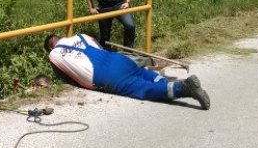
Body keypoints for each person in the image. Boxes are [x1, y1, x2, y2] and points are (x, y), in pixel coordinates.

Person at [43, 33, 210, 110]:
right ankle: (169, 81)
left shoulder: (54, 55)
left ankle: (183, 88)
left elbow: (65, 77)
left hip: (105, 75)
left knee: (142, 89)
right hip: (117, 59)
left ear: (51, 47)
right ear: (60, 37)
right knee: (142, 72)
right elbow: (98, 45)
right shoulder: (79, 36)